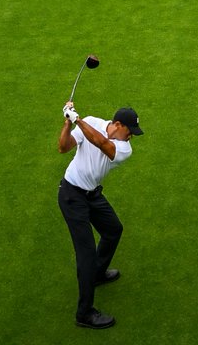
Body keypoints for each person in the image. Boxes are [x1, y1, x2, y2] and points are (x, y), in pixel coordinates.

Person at [58, 102, 143, 330]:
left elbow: (101, 143)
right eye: (130, 132)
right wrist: (68, 123)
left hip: (92, 194)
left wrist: (77, 120)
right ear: (117, 124)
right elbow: (63, 147)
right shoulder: (93, 122)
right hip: (72, 195)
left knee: (113, 229)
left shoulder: (123, 149)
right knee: (85, 254)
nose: (131, 137)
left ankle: (96, 274)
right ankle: (84, 313)